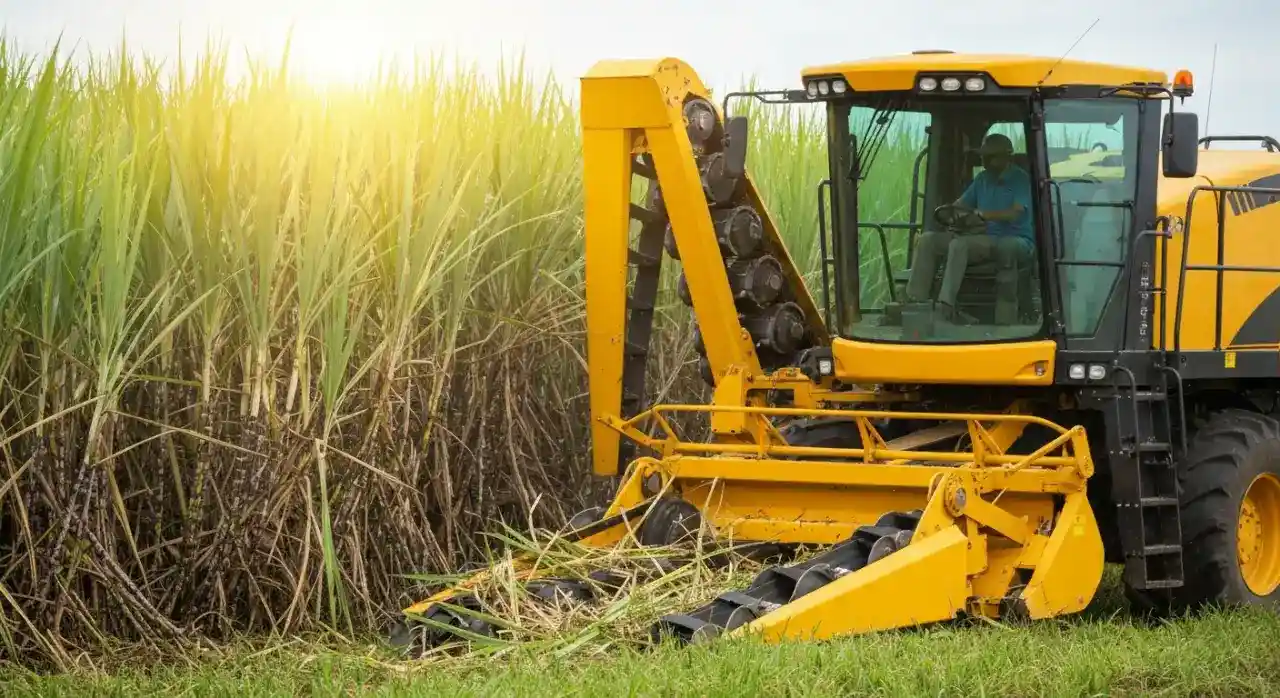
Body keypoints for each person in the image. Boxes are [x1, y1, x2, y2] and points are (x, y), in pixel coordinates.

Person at [903, 132, 1034, 325]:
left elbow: (1015, 213)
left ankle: (946, 306)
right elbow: (960, 205)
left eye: (989, 156)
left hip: (1010, 237)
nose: (984, 160)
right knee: (929, 240)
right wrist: (952, 215)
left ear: (1005, 156)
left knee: (960, 245)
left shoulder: (1020, 180)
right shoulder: (982, 179)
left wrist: (983, 215)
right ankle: (915, 302)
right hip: (980, 236)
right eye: (983, 156)